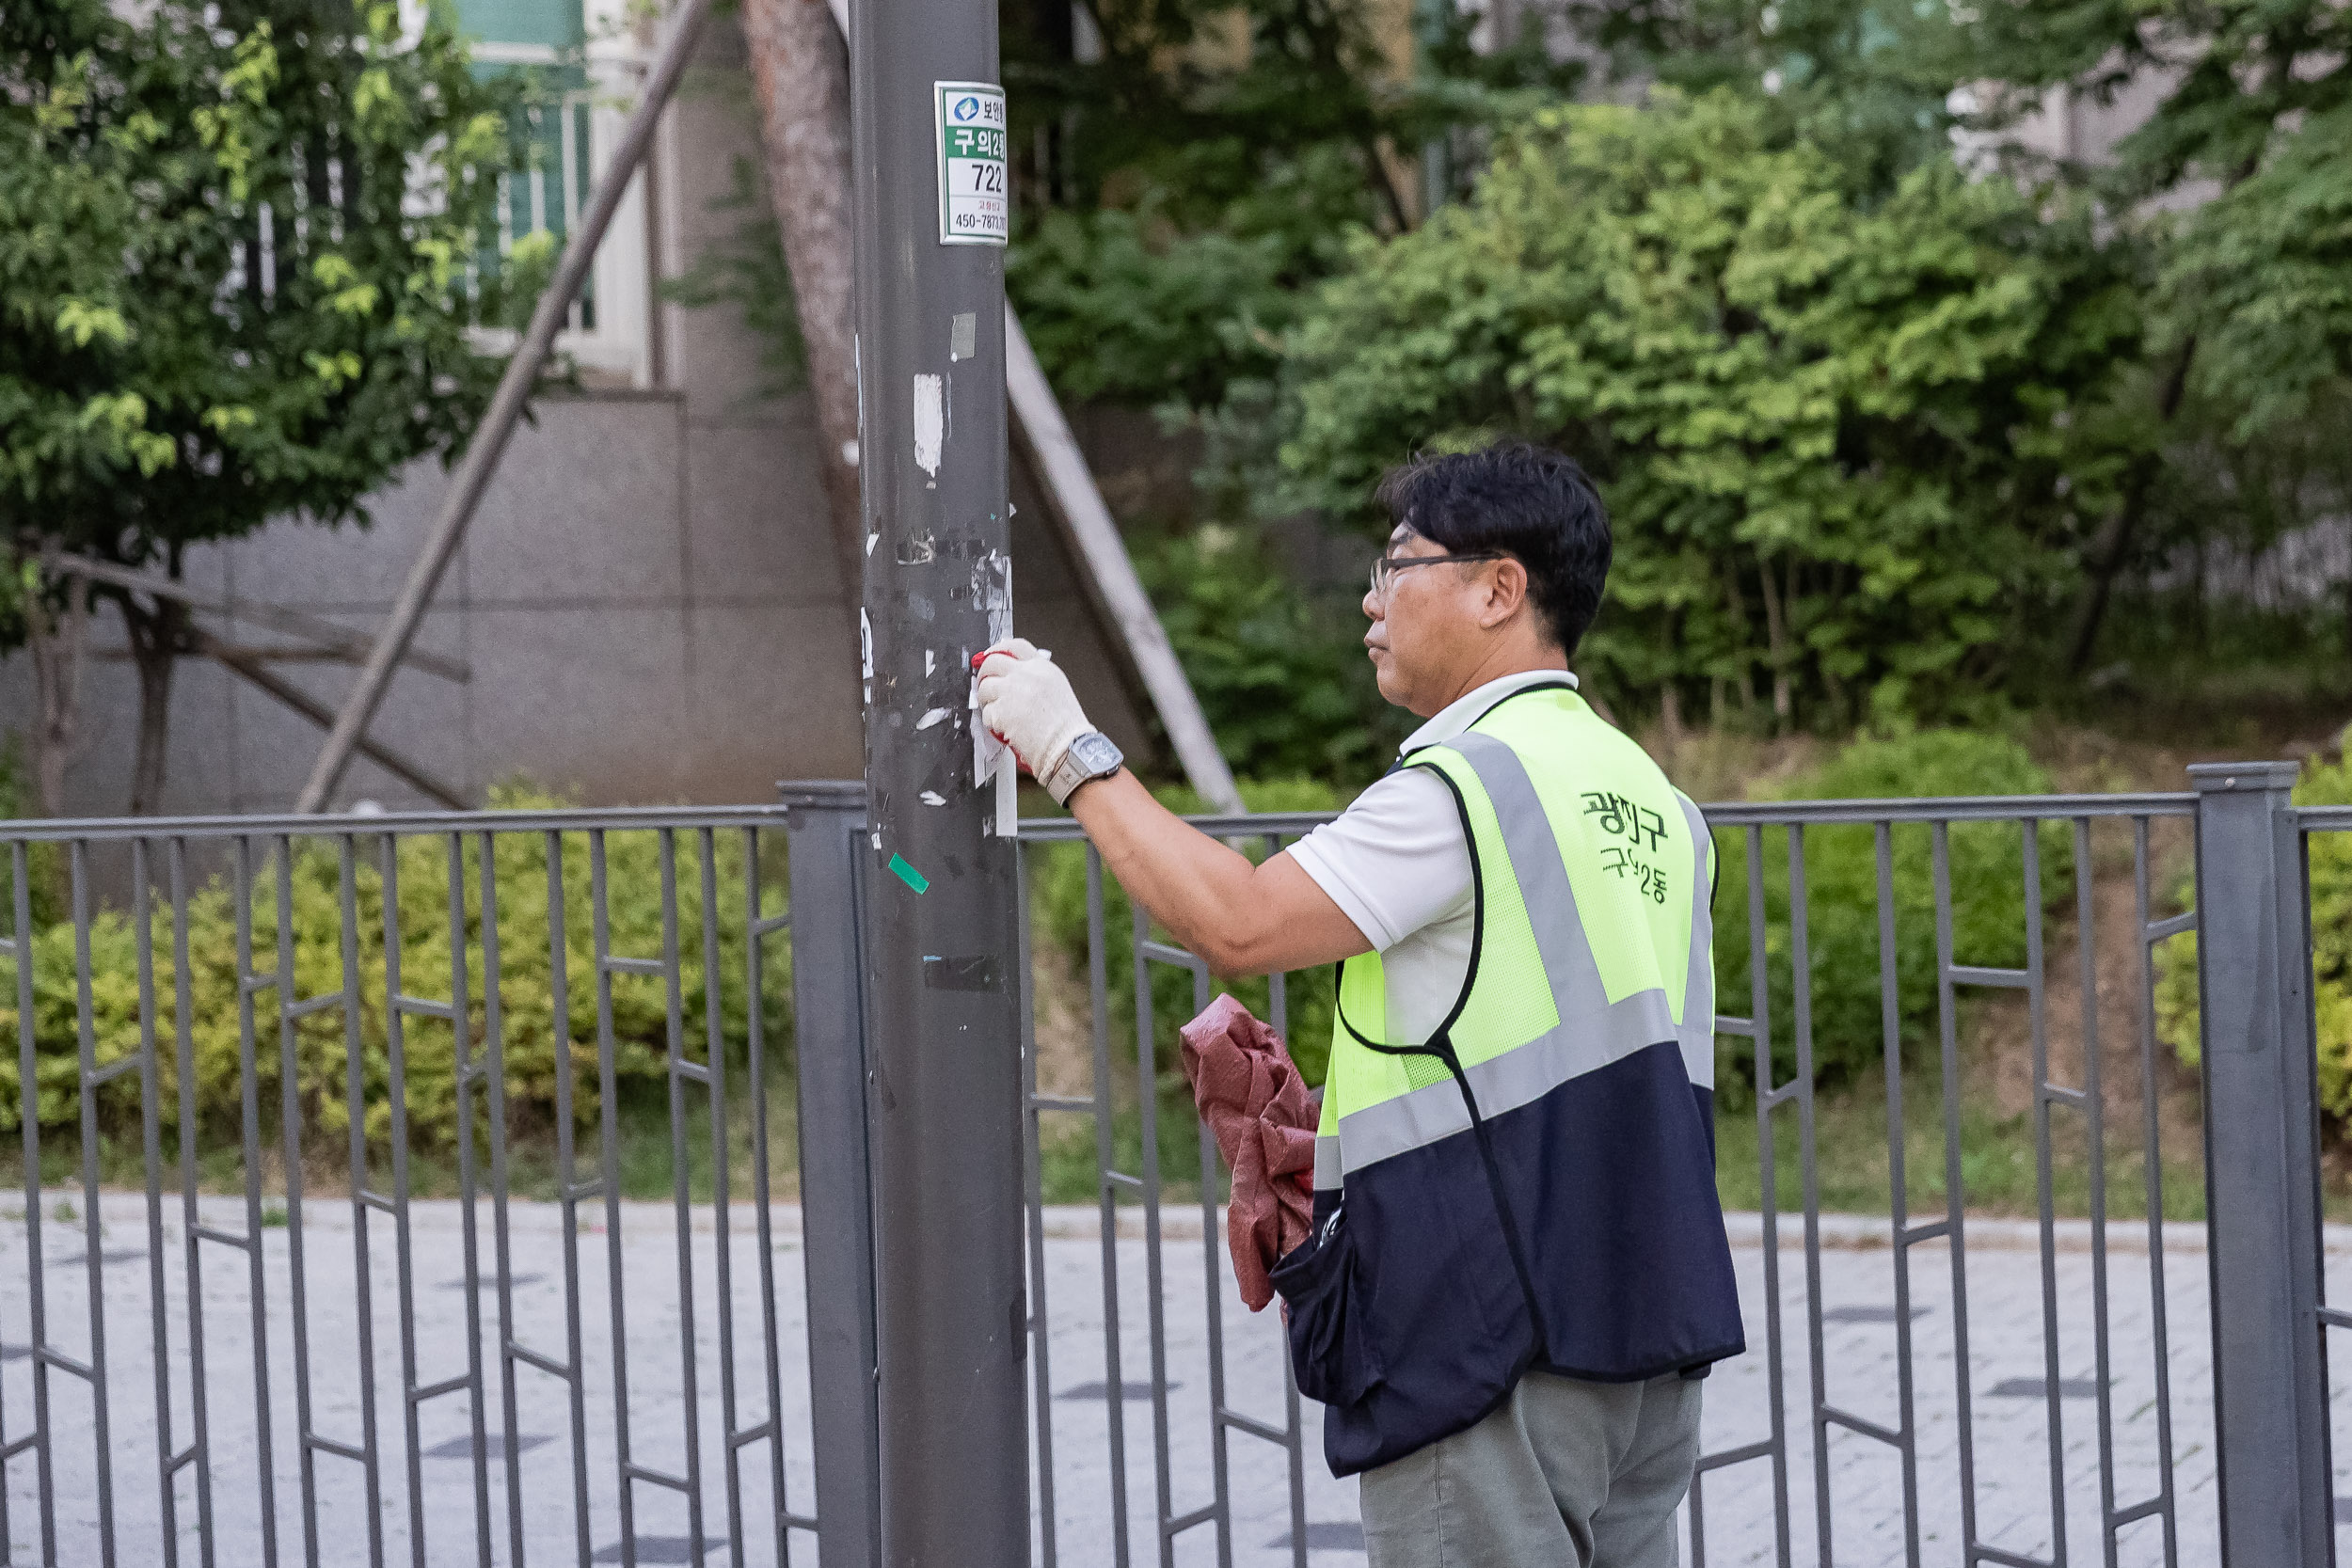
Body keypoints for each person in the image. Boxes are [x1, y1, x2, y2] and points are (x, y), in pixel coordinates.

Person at [976, 440, 1742, 1568]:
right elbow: (1552, 1038)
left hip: (1488, 1337)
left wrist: (1063, 742)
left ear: (1498, 587)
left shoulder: (1464, 786)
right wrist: (1340, 1122)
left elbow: (1234, 922)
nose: (1371, 600)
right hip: (1642, 1330)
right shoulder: (1653, 797)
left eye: (1398, 565)